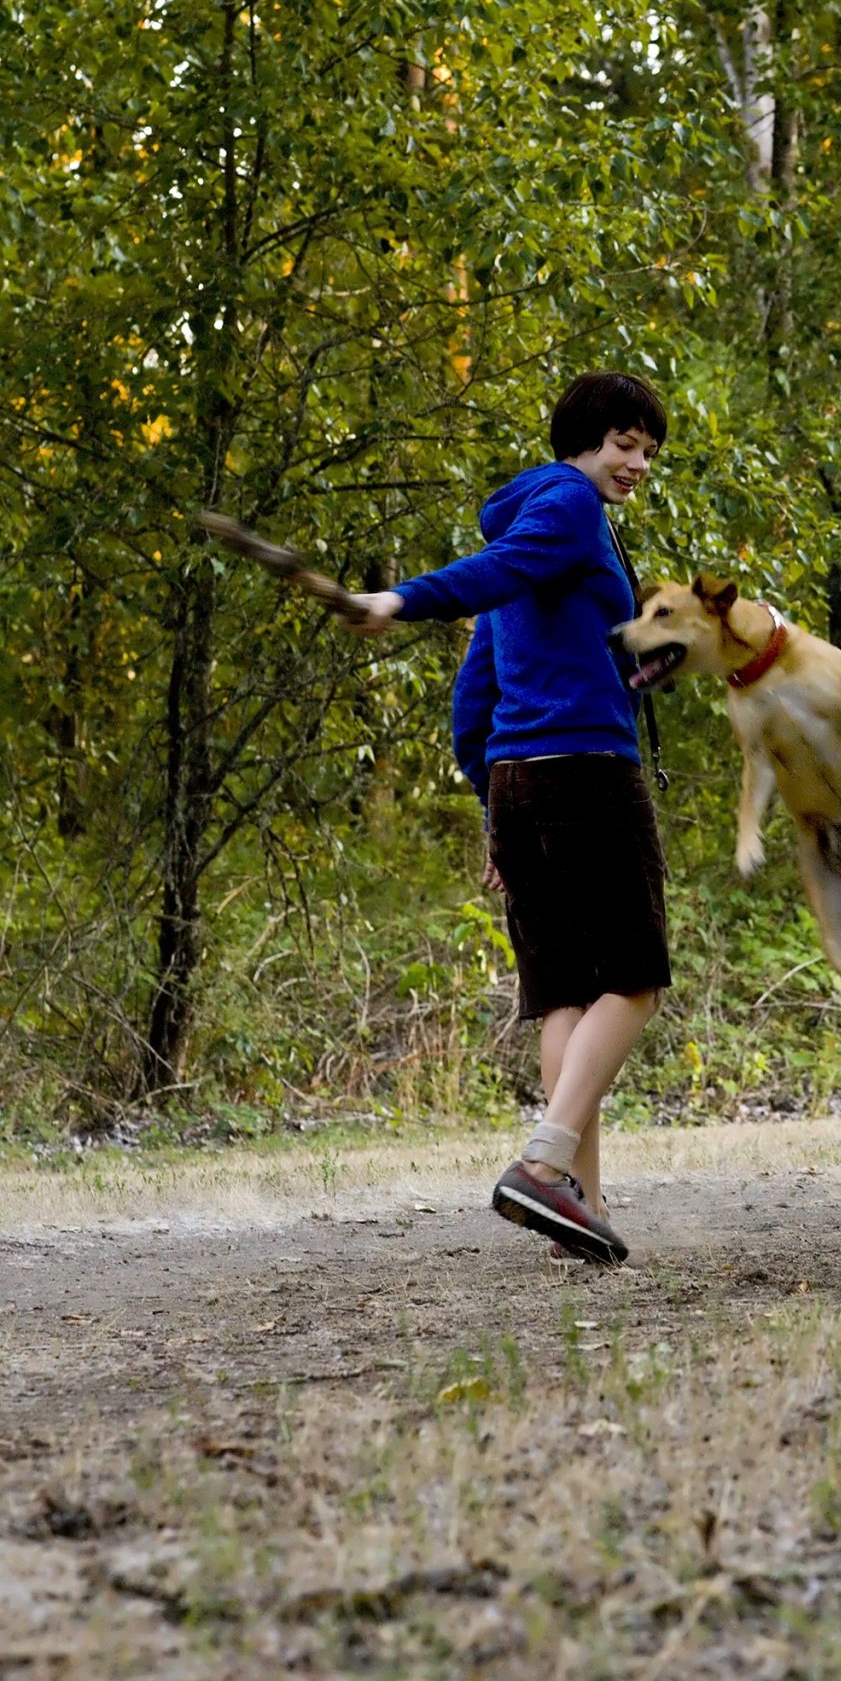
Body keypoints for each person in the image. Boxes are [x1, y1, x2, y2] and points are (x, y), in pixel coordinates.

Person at [344, 370, 670, 1266]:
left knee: (568, 992)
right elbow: (485, 578)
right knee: (634, 978)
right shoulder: (568, 505)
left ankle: (576, 1208)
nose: (637, 464)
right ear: (582, 441)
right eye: (624, 444)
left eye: (647, 451)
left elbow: (474, 699)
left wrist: (496, 807)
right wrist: (401, 600)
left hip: (521, 781)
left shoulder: (536, 534)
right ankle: (543, 1163)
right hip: (586, 774)